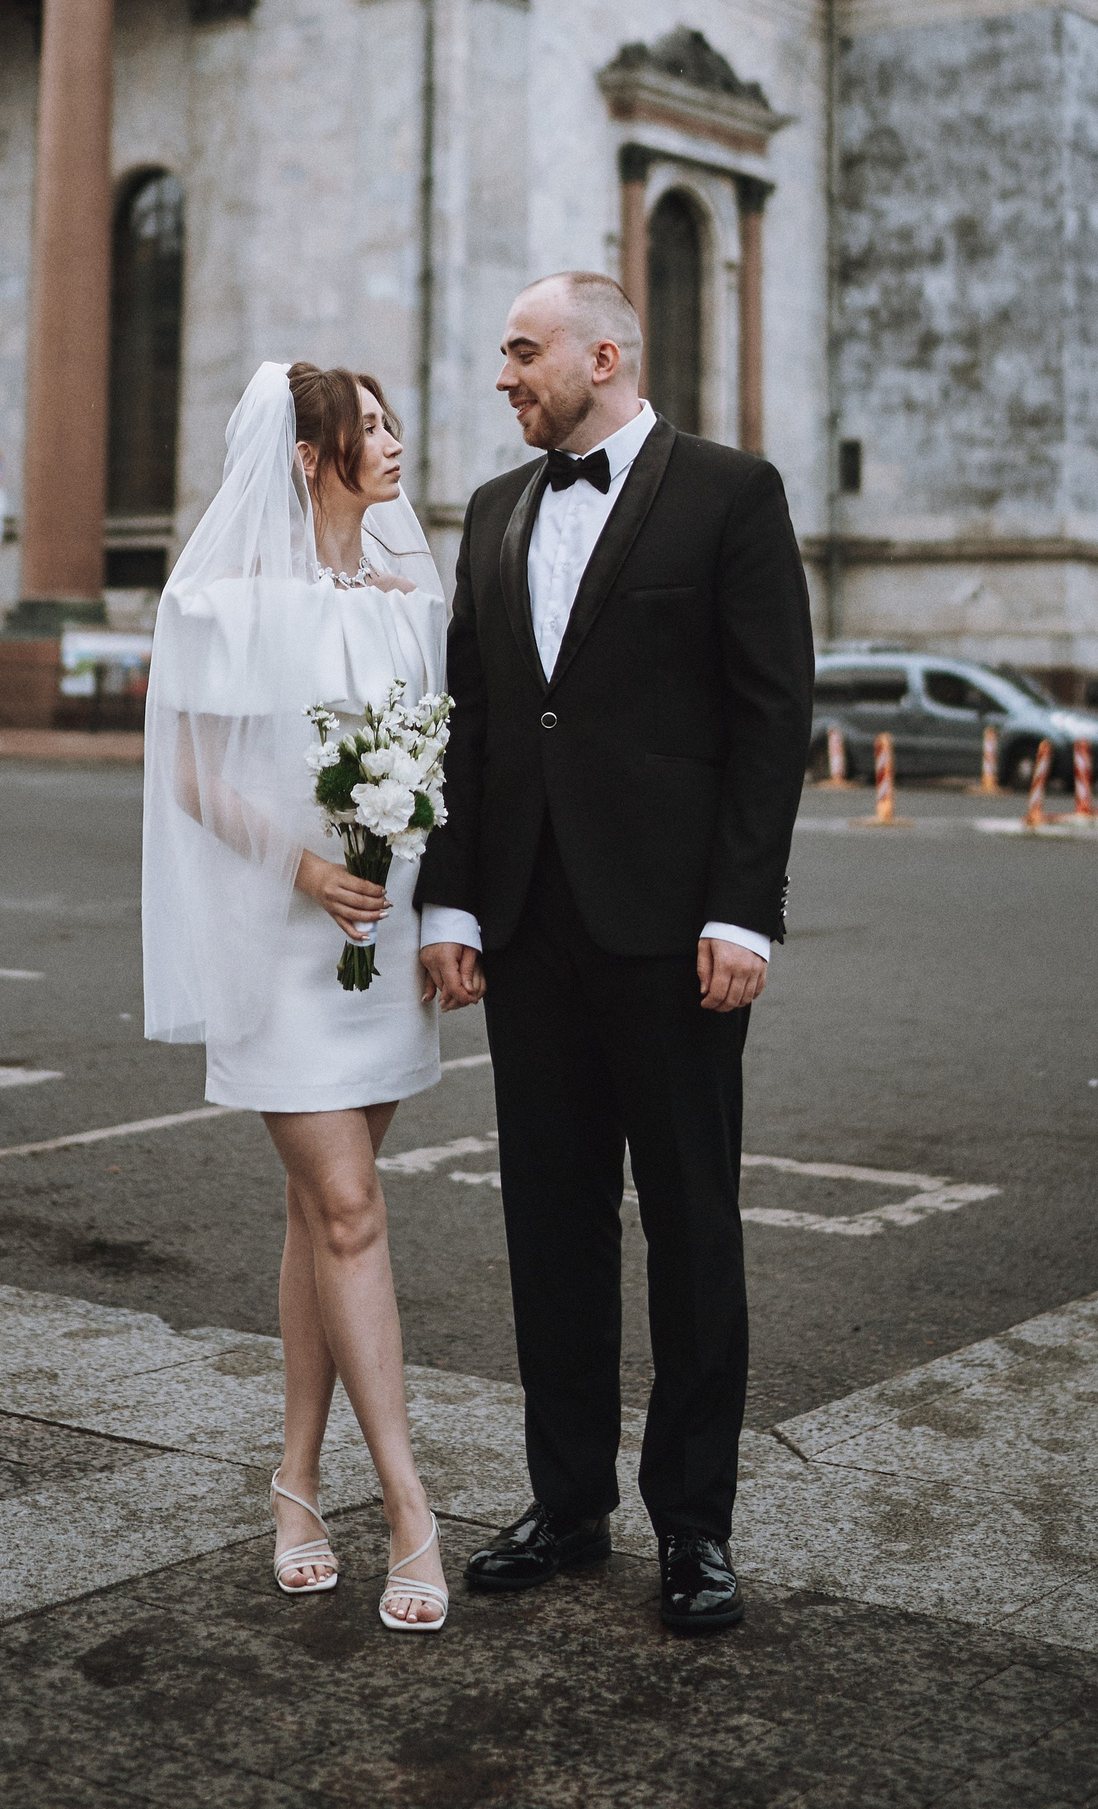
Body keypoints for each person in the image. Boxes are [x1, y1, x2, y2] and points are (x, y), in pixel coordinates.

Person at [419, 273, 813, 1633]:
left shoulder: (732, 493)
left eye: (522, 351)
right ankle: (569, 1502)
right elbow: (473, 722)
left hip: (675, 934)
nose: (504, 377)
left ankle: (695, 1527)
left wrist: (743, 909)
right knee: (551, 1226)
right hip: (528, 930)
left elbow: (771, 714)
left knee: (692, 1227)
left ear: (604, 355)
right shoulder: (492, 511)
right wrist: (452, 906)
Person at [142, 360, 453, 1632]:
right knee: (351, 1210)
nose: (392, 442)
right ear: (312, 457)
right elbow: (193, 775)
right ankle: (411, 1508)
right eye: (366, 428)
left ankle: (295, 1483)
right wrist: (309, 868)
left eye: (389, 421)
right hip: (282, 943)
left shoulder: (411, 603)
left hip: (380, 948)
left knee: (319, 1216)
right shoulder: (225, 603)